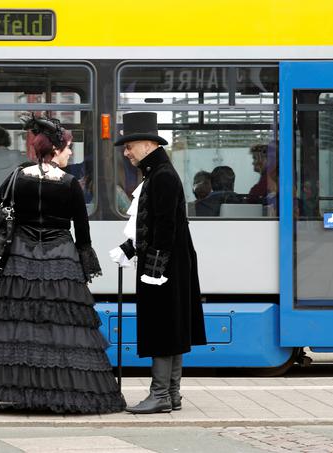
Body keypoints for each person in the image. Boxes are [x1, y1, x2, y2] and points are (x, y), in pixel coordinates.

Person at [0, 115, 125, 414]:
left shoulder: (18, 177)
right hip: (61, 260)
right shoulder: (71, 185)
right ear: (56, 149)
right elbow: (82, 233)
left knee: (19, 326)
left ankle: (18, 391)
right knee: (61, 330)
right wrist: (82, 273)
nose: (71, 153)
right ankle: (60, 392)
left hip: (21, 258)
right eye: (68, 147)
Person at [109, 112, 206, 414]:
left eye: (129, 146)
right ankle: (172, 394)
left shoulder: (161, 176)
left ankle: (161, 394)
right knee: (173, 325)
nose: (126, 153)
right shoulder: (159, 173)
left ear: (148, 144)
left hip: (164, 265)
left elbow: (164, 227)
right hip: (171, 262)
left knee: (163, 325)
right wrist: (129, 248)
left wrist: (154, 270)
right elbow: (149, 224)